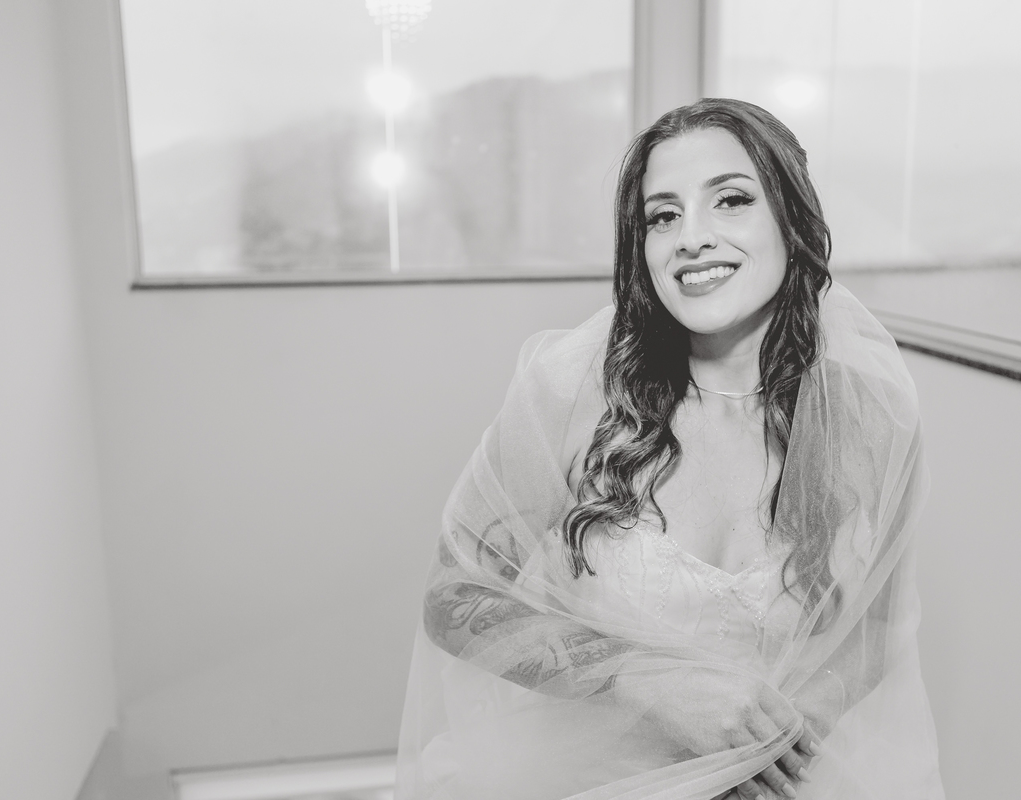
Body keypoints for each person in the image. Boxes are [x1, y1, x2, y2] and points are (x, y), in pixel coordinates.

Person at [394, 98, 946, 799]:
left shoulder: (868, 416)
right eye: (664, 215)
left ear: (792, 219)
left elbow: (880, 623)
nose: (691, 238)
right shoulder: (572, 395)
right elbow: (454, 596)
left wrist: (779, 741)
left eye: (731, 200)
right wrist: (649, 679)